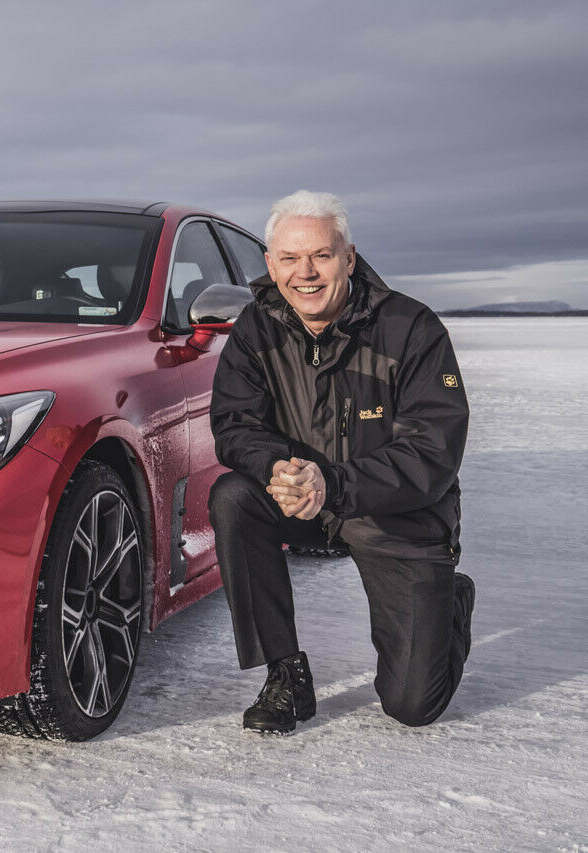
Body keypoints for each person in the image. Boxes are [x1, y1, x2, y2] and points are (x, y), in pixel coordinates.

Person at [207, 189, 475, 734]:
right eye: (289, 258)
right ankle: (285, 672)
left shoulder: (412, 329)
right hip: (303, 501)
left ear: (348, 258)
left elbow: (433, 451)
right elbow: (235, 424)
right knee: (234, 497)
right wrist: (279, 470)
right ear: (270, 264)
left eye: (321, 256)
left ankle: (450, 602)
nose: (305, 273)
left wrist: (333, 483)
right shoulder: (255, 328)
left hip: (393, 515)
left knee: (412, 706)